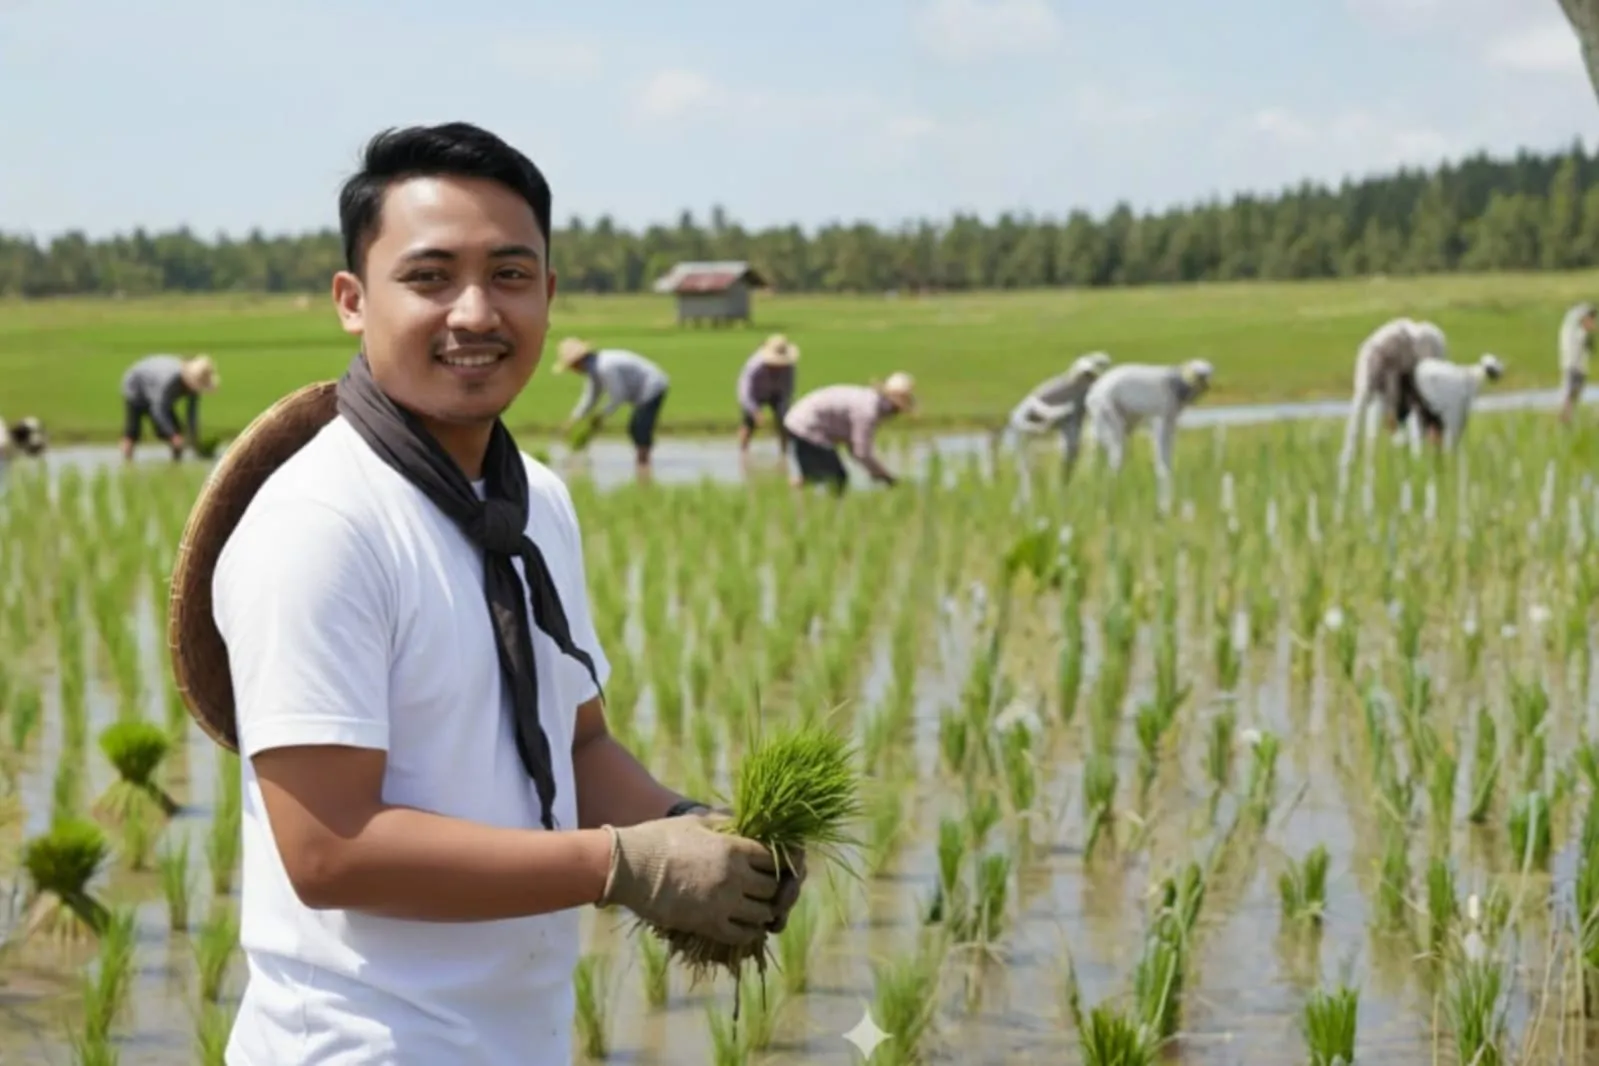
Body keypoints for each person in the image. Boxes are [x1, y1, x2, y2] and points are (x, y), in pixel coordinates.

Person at [164, 122, 804, 1066]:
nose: (474, 313)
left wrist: (692, 832)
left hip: (519, 1036)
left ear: (547, 294)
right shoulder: (321, 522)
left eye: (509, 275)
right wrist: (623, 865)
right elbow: (329, 850)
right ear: (352, 301)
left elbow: (576, 745)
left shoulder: (533, 499)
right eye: (429, 277)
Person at [1337, 317, 1446, 490]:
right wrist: (1391, 411)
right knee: (1362, 409)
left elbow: (1424, 393)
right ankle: (1349, 467)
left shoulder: (1429, 349)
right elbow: (1391, 379)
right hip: (1375, 360)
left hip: (1399, 373)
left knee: (1408, 423)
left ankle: (1412, 471)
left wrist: (1433, 423)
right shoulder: (1395, 342)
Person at [1083, 359, 1212, 494]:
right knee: (1116, 453)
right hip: (1106, 398)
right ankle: (1105, 493)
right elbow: (1163, 441)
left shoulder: (1167, 389)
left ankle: (1101, 487)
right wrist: (1165, 473)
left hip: (1122, 400)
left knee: (1111, 450)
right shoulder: (1167, 397)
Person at [554, 339, 669, 482]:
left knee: (639, 427)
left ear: (577, 362)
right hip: (639, 391)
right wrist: (573, 420)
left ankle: (643, 468)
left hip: (652, 386)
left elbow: (618, 396)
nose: (573, 371)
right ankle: (643, 466)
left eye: (571, 367)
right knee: (637, 428)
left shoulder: (605, 367)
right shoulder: (595, 370)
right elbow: (591, 397)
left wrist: (601, 415)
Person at [781, 372, 916, 494]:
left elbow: (854, 447)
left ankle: (795, 494)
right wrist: (885, 477)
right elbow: (861, 452)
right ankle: (822, 506)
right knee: (837, 478)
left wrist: (875, 472)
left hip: (802, 423)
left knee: (818, 474)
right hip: (805, 426)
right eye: (896, 409)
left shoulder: (871, 402)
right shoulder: (868, 412)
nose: (895, 414)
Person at [1000, 351, 1111, 476]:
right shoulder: (1062, 393)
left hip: (1037, 431)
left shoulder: (1078, 395)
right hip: (1024, 433)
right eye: (1087, 377)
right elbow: (1028, 420)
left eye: (1091, 378)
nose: (1087, 382)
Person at [119, 353, 219, 462]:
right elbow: (158, 410)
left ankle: (176, 463)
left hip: (158, 395)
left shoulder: (193, 388)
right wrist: (172, 435)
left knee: (177, 430)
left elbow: (191, 413)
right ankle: (127, 462)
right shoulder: (170, 381)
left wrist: (194, 438)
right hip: (136, 388)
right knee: (133, 431)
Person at [1414, 353, 1505, 450]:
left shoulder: (1468, 377)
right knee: (1447, 428)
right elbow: (1456, 422)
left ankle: (1434, 446)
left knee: (1435, 423)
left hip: (1427, 377)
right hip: (1431, 382)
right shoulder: (1466, 384)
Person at [735, 333, 800, 464]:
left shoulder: (789, 366)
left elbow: (788, 389)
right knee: (748, 423)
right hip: (756, 393)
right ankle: (743, 455)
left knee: (784, 422)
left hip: (777, 392)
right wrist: (754, 411)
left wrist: (784, 409)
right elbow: (744, 391)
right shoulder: (754, 366)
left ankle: (784, 455)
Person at [1559, 301, 1595, 424]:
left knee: (1575, 394)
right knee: (1570, 394)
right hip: (1572, 366)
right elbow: (1574, 317)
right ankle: (1565, 420)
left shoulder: (1581, 333)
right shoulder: (1571, 330)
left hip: (1580, 368)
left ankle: (1568, 419)